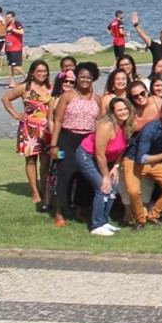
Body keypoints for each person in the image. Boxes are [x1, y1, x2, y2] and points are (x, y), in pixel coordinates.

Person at [48, 62, 102, 227]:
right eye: (82, 77)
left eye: (88, 77)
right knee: (65, 173)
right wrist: (54, 145)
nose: (85, 80)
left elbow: (100, 123)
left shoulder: (97, 99)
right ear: (77, 78)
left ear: (93, 78)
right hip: (67, 139)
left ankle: (80, 210)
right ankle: (59, 211)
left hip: (87, 140)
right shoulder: (68, 96)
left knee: (84, 175)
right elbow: (57, 121)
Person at [75, 96, 136, 236]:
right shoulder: (106, 126)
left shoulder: (128, 125)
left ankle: (103, 221)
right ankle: (96, 225)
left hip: (107, 160)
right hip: (88, 156)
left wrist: (115, 166)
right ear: (113, 112)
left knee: (113, 188)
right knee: (103, 187)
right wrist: (105, 176)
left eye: (125, 108)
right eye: (119, 110)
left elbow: (122, 148)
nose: (124, 112)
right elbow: (100, 154)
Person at [124, 97, 162, 229]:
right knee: (133, 191)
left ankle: (153, 215)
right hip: (134, 159)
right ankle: (140, 220)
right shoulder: (150, 129)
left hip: (155, 160)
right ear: (161, 114)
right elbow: (141, 158)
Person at [1, 60, 54, 207]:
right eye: (39, 71)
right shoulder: (25, 87)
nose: (43, 74)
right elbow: (6, 99)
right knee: (31, 160)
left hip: (47, 129)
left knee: (45, 162)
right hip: (29, 129)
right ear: (32, 73)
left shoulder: (51, 86)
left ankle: (43, 189)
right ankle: (35, 192)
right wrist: (16, 115)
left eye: (45, 71)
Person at [3, 12, 25, 88]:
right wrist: (3, 48)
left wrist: (13, 29)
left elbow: (22, 32)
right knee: (10, 66)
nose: (7, 19)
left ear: (13, 17)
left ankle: (27, 77)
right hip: (8, 49)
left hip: (16, 48)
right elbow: (5, 37)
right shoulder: (6, 25)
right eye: (6, 17)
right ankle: (12, 82)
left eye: (9, 17)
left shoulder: (17, 23)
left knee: (16, 66)